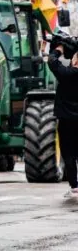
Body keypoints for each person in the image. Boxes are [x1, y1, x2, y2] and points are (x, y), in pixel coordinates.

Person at [48, 41, 78, 199]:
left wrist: (59, 49)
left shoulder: (67, 75)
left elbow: (52, 62)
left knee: (69, 153)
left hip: (67, 120)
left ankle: (75, 187)